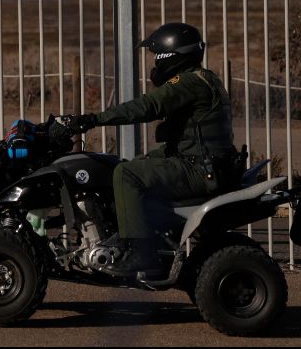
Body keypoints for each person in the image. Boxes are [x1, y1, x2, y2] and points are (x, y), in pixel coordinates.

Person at [68, 22, 237, 277]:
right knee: (125, 164)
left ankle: (139, 251)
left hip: (199, 168)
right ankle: (130, 233)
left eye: (158, 56)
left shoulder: (187, 82)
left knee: (126, 174)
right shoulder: (205, 77)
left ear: (173, 56)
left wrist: (94, 119)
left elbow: (147, 106)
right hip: (202, 161)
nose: (156, 63)